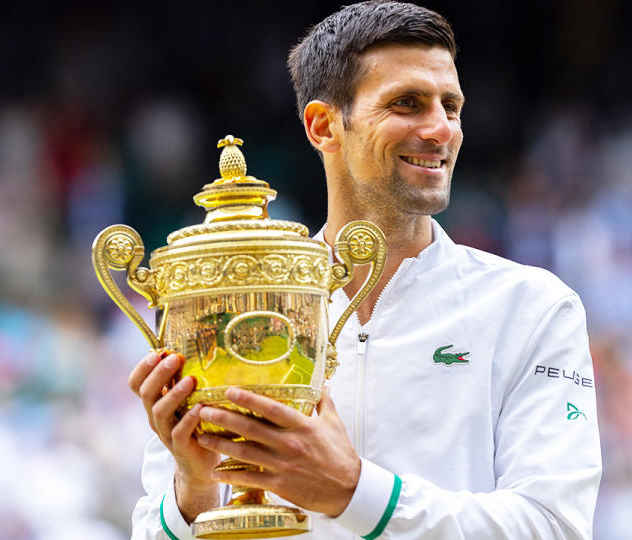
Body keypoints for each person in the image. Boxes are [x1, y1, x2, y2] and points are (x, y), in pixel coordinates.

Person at [128, 2, 602, 538]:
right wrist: (194, 491)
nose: (441, 129)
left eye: (452, 106)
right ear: (323, 125)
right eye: (408, 103)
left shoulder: (534, 308)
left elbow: (554, 527)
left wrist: (353, 492)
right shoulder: (235, 300)